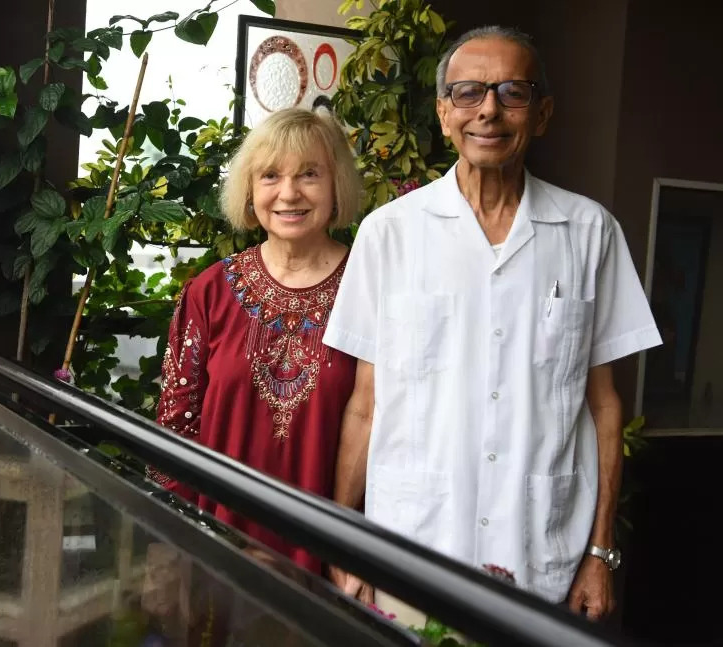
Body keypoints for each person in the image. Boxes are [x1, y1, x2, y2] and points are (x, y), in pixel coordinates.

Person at [323, 26, 662, 624]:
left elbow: (605, 405)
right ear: (443, 113)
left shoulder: (590, 233)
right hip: (412, 544)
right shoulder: (390, 234)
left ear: (542, 113)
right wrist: (343, 538)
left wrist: (600, 553)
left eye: (512, 92)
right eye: (469, 92)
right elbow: (365, 405)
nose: (489, 110)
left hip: (541, 553)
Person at [149, 107, 363, 574]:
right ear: (249, 190)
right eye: (270, 176)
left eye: (309, 174)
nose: (289, 193)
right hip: (217, 552)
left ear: (337, 186)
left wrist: (360, 556)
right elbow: (175, 426)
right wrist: (172, 544)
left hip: (333, 560)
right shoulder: (209, 291)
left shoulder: (370, 289)